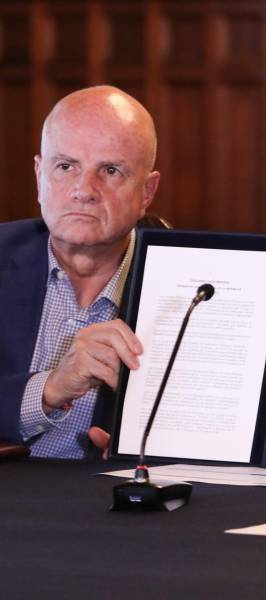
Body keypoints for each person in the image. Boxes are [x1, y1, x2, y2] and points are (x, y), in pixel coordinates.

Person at [0, 86, 160, 458]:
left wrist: (154, 454)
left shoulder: (193, 288)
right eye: (66, 167)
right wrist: (48, 389)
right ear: (39, 175)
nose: (84, 190)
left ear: (147, 192)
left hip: (112, 491)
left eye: (111, 170)